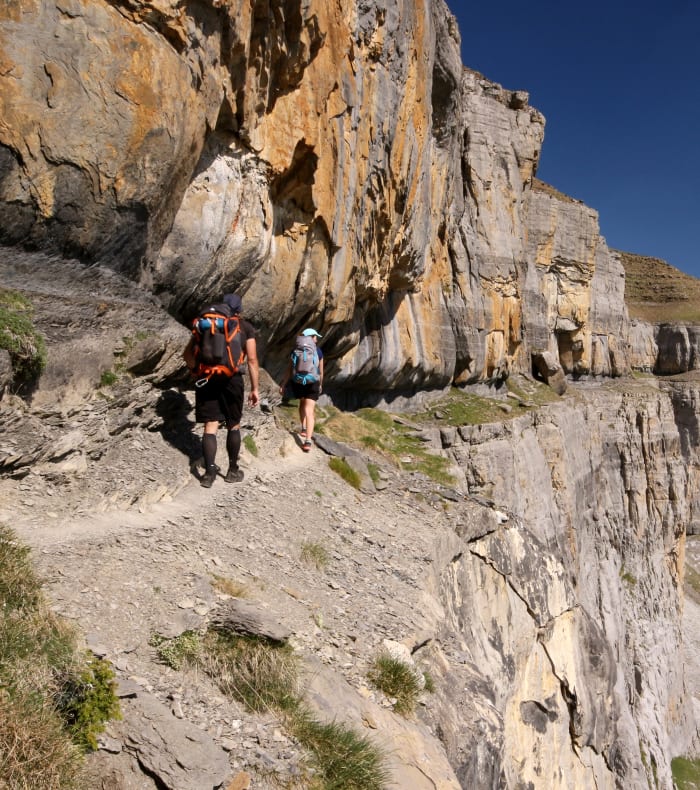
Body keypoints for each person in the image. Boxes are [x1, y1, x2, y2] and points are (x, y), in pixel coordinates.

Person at [183, 293, 259, 487]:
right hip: (232, 380)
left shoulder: (205, 325)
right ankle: (233, 470)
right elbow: (251, 360)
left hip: (207, 378)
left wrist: (195, 372)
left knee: (210, 426)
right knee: (233, 424)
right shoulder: (245, 327)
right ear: (239, 311)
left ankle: (208, 474)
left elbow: (187, 354)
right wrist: (255, 388)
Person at [279, 328, 324, 452]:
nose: (316, 339)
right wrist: (320, 384)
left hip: (298, 381)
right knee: (310, 411)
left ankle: (303, 429)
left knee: (302, 404)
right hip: (312, 382)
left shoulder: (296, 350)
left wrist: (283, 384)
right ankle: (308, 441)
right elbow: (320, 371)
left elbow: (289, 368)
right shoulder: (318, 351)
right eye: (315, 336)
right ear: (310, 337)